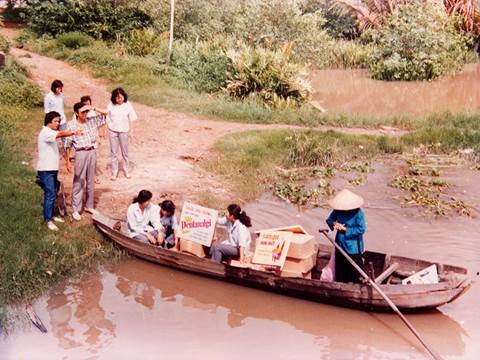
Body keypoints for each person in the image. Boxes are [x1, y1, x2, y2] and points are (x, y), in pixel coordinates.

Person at [37, 111, 81, 231]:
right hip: (45, 170)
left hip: (51, 168)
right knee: (50, 194)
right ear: (48, 121)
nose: (57, 123)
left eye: (58, 121)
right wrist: (73, 132)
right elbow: (61, 133)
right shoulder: (46, 132)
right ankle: (47, 220)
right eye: (55, 121)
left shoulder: (50, 132)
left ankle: (51, 215)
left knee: (53, 192)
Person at [64, 102, 107, 221]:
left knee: (91, 180)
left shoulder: (92, 120)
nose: (85, 114)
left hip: (92, 151)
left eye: (86, 112)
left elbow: (108, 113)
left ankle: (89, 206)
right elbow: (68, 144)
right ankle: (76, 209)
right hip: (80, 153)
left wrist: (93, 107)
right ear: (76, 113)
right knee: (79, 181)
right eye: (82, 112)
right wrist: (67, 160)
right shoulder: (71, 125)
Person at [326, 189, 366, 284]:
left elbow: (361, 229)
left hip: (353, 245)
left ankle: (357, 284)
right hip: (340, 242)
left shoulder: (358, 213)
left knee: (355, 269)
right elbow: (329, 220)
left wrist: (346, 230)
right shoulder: (337, 211)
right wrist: (335, 224)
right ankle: (341, 284)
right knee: (340, 266)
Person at [106, 87, 138, 180]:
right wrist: (105, 130)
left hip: (124, 131)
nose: (119, 99)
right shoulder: (111, 105)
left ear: (124, 97)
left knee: (125, 152)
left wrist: (132, 132)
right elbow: (107, 117)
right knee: (114, 153)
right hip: (113, 130)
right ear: (114, 98)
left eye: (121, 97)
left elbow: (131, 118)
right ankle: (114, 172)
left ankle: (126, 170)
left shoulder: (128, 105)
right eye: (117, 98)